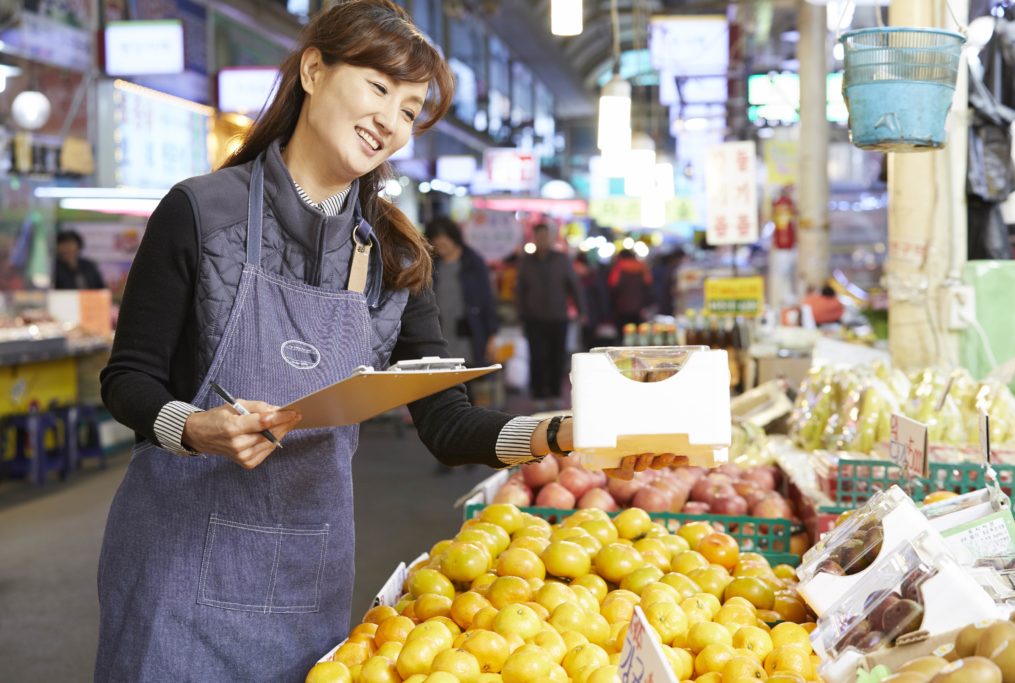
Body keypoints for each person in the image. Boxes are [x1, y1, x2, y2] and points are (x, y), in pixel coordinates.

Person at [95, 3, 686, 680]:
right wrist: (196, 426)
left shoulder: (395, 255)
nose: (391, 122)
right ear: (314, 70)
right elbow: (129, 377)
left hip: (307, 575)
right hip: (177, 576)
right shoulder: (201, 213)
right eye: (379, 89)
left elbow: (446, 420)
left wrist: (565, 432)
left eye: (410, 109)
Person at [516, 222, 585, 410]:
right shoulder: (526, 261)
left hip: (558, 316)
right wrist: (521, 312)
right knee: (536, 357)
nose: (542, 239)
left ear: (552, 237)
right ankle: (538, 394)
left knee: (557, 356)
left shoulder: (562, 259)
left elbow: (574, 287)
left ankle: (555, 393)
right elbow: (520, 290)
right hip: (533, 317)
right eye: (539, 236)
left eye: (546, 236)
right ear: (534, 238)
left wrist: (582, 311)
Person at [424, 215, 498, 368]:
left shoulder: (474, 263)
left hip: (469, 335)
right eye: (435, 238)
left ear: (453, 236)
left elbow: (487, 300)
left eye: (443, 236)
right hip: (439, 336)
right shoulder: (430, 265)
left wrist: (492, 337)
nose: (439, 242)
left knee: (468, 383)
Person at [608, 248, 653, 332]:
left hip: (621, 307)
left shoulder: (618, 268)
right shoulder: (642, 267)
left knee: (623, 332)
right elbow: (648, 286)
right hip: (639, 307)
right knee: (638, 332)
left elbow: (613, 286)